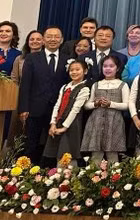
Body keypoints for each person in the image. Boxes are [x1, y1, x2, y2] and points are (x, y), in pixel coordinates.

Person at [18, 26, 71, 164]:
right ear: (43, 40)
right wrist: (23, 108)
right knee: (31, 143)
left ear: (62, 40)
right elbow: (25, 84)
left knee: (53, 144)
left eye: (56, 37)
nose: (53, 39)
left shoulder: (68, 60)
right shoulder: (32, 58)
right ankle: (27, 173)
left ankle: (49, 174)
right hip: (35, 108)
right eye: (49, 36)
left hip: (58, 110)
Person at [81, 55, 128, 164]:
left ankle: (114, 179)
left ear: (118, 68)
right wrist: (96, 104)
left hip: (114, 121)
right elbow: (87, 105)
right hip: (96, 120)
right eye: (105, 66)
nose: (108, 69)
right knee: (96, 154)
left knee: (112, 154)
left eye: (111, 66)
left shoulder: (122, 85)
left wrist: (111, 104)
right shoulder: (96, 84)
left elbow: (126, 105)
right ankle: (93, 178)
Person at [43, 58, 90, 165]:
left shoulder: (84, 89)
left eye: (77, 69)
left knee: (69, 153)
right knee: (57, 153)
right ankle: (59, 177)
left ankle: (70, 178)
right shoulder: (65, 87)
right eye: (71, 70)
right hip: (59, 122)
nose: (74, 72)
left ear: (85, 71)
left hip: (72, 125)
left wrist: (64, 127)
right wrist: (53, 123)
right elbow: (57, 105)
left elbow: (75, 110)